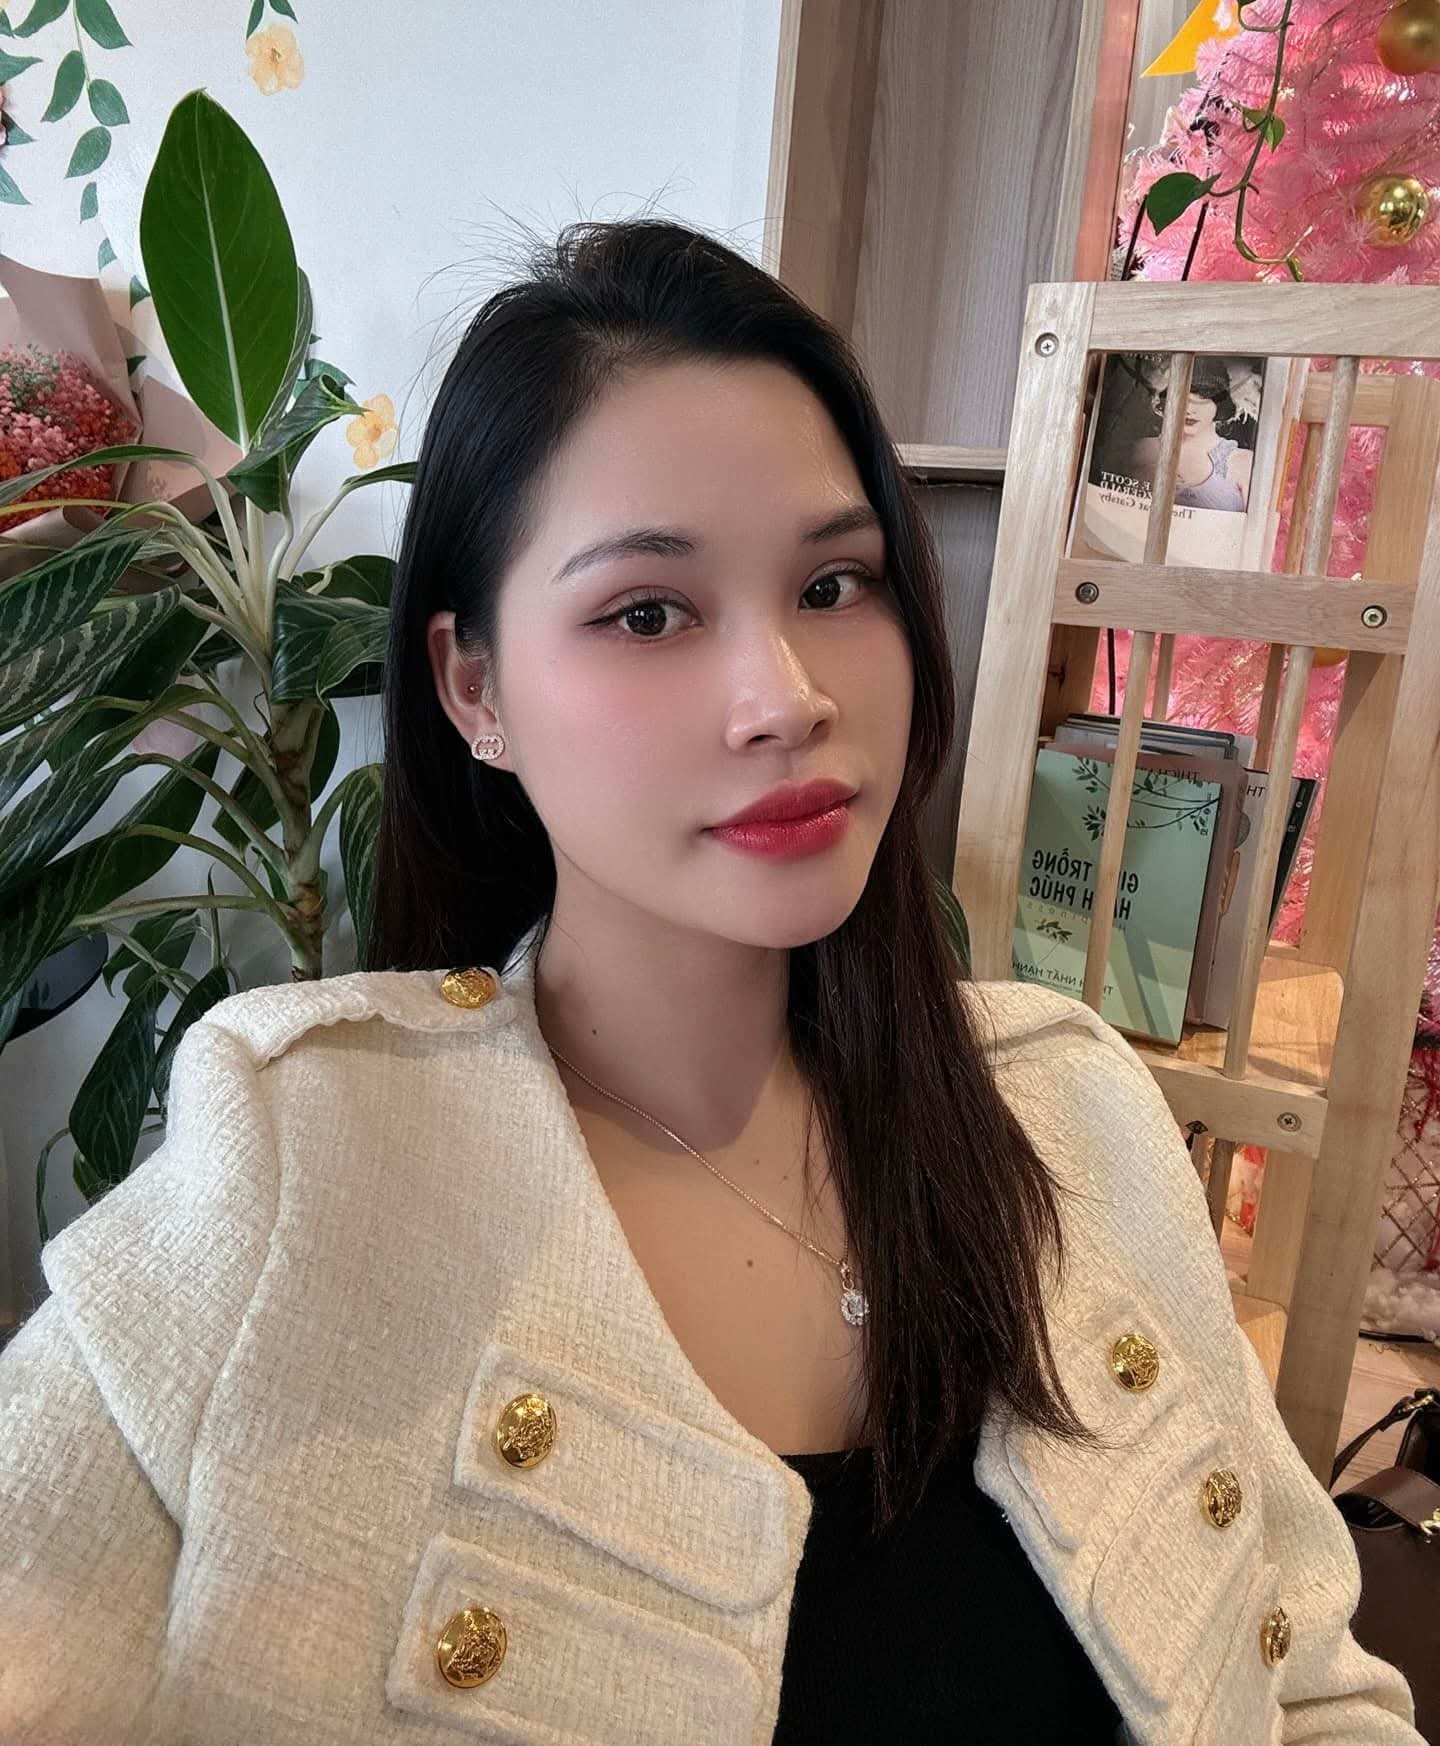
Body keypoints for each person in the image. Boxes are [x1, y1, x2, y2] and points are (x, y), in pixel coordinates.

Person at [0, 219, 1420, 1746]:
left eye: (836, 583)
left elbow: (1319, 1692)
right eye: (648, 612)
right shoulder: (300, 1171)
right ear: (476, 686)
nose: (787, 698)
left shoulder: (1072, 1114)